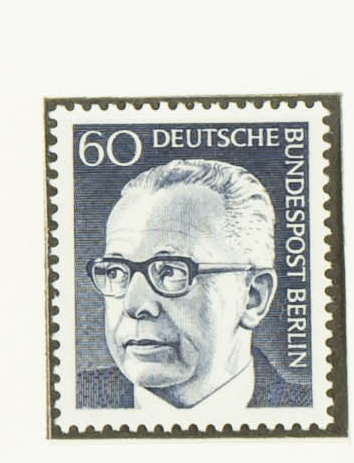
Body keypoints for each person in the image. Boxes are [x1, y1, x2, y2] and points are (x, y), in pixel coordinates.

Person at [84, 154, 283, 415]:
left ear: (253, 297)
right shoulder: (73, 399)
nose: (133, 305)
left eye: (170, 271)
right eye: (116, 271)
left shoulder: (308, 409)